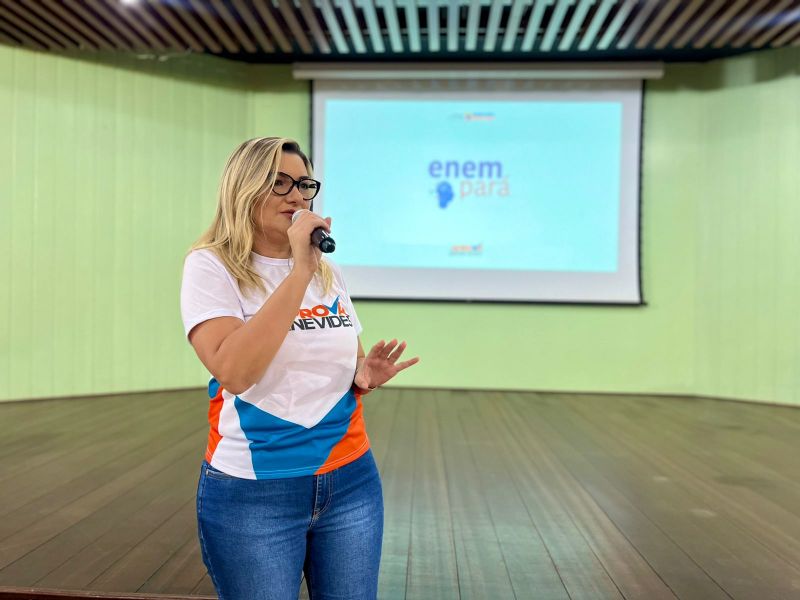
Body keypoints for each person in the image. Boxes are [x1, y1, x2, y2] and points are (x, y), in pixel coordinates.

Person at [179, 137, 419, 599]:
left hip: (350, 479)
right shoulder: (211, 267)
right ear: (243, 189)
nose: (297, 196)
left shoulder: (328, 271)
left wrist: (363, 372)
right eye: (280, 183)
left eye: (304, 184)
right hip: (255, 492)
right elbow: (235, 372)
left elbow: (345, 355)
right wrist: (299, 272)